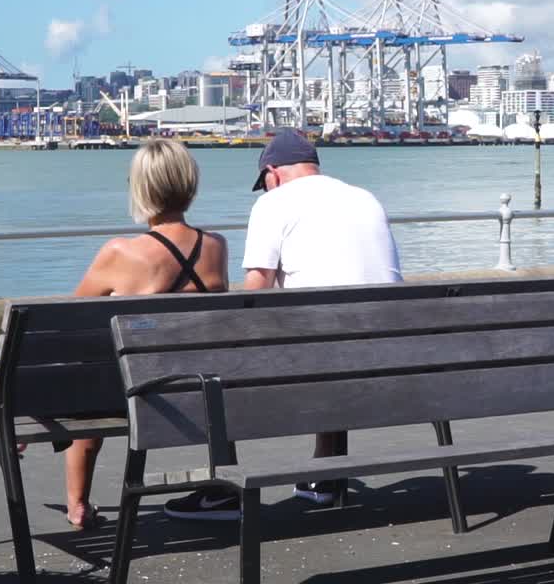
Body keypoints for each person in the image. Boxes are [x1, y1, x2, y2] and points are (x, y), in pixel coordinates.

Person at [164, 129, 401, 520]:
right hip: (391, 360)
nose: (265, 191)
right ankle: (325, 475)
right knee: (334, 331)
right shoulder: (365, 198)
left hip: (322, 361)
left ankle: (223, 491)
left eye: (264, 185)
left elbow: (254, 294)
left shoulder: (274, 205)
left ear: (272, 173)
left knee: (226, 354)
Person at [64, 138, 228, 530]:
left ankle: (77, 504)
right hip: (195, 388)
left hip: (128, 394)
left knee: (89, 372)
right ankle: (222, 487)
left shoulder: (121, 252)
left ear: (140, 187)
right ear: (190, 184)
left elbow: (67, 320)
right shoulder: (216, 247)